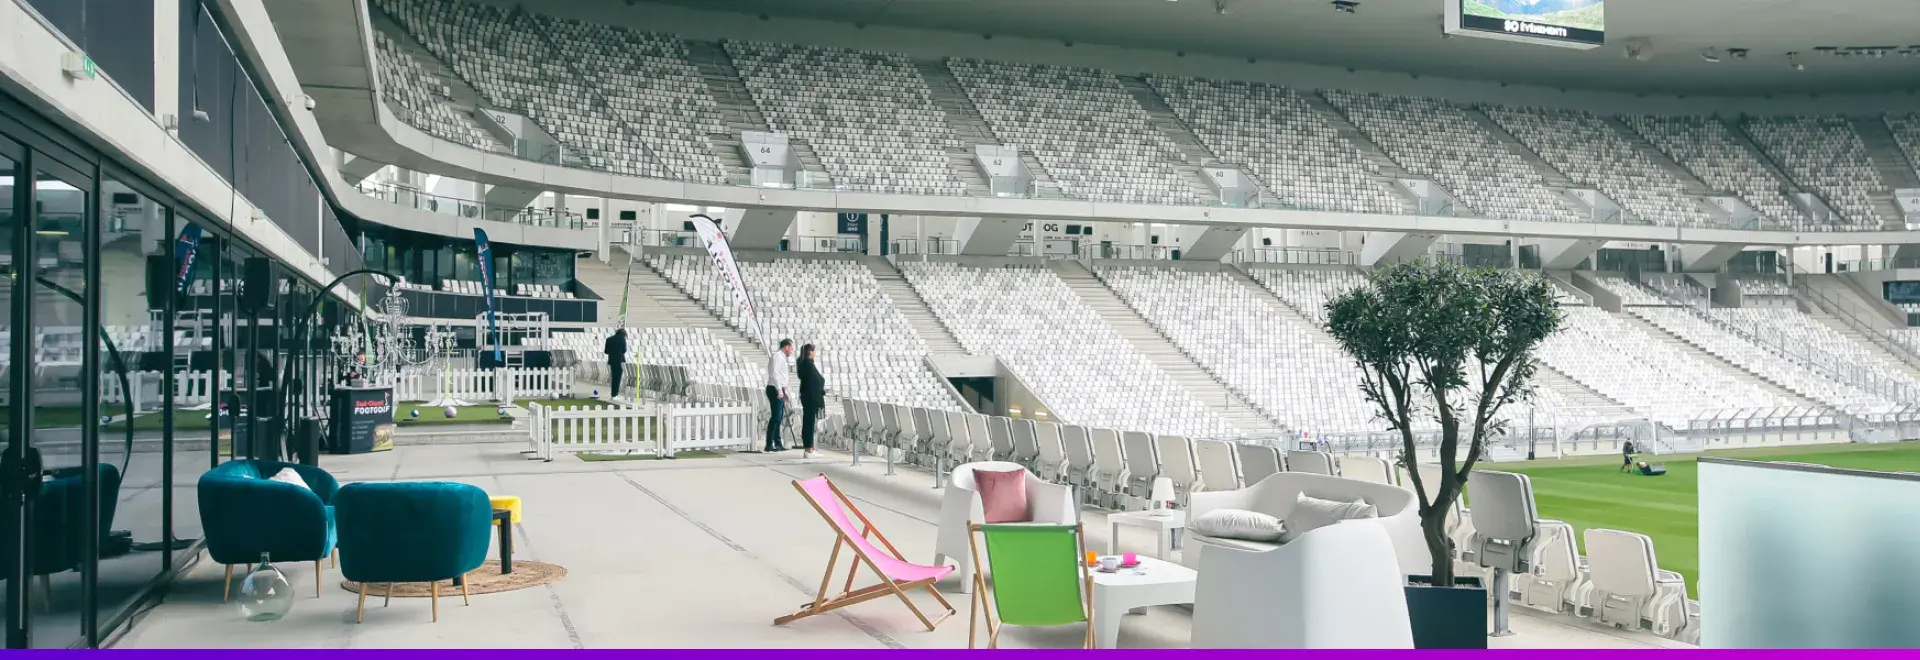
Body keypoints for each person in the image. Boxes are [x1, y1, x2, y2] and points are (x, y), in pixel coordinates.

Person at [796, 343, 825, 459]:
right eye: (814, 351)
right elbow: (816, 380)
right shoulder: (808, 364)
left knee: (808, 422)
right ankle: (808, 449)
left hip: (806, 395)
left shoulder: (802, 363)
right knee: (809, 423)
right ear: (811, 352)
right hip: (810, 396)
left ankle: (810, 448)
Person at [765, 338, 794, 452]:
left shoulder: (782, 357)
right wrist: (779, 390)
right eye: (791, 348)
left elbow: (783, 377)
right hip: (775, 388)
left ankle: (777, 442)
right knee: (776, 417)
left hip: (780, 388)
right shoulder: (777, 356)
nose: (791, 350)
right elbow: (775, 374)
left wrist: (785, 391)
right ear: (786, 347)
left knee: (779, 417)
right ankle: (769, 443)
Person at [604, 328, 628, 398]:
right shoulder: (622, 339)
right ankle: (615, 394)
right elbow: (624, 350)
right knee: (617, 378)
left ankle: (613, 394)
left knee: (613, 377)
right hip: (619, 360)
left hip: (611, 360)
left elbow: (606, 351)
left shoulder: (609, 339)